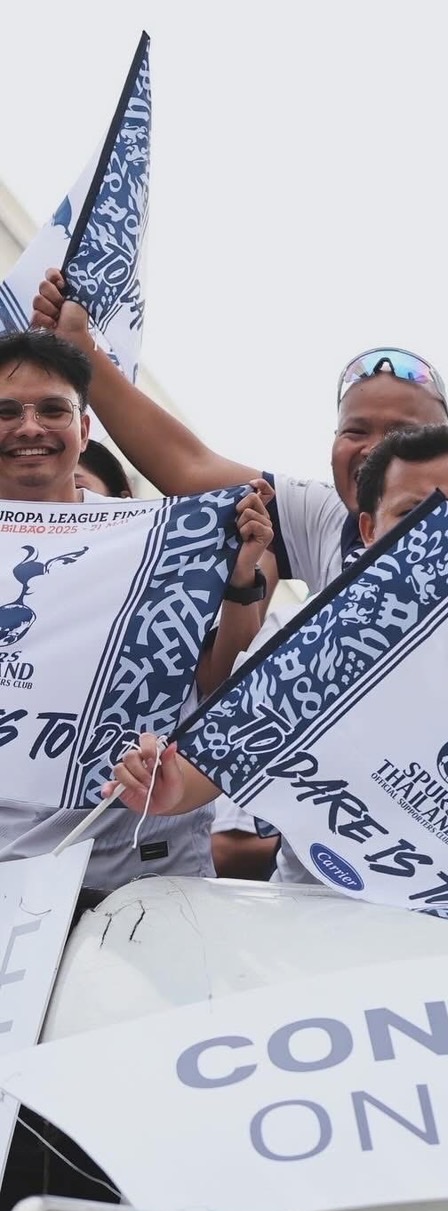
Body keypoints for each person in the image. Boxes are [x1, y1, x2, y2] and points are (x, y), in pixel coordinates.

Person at [107, 426, 448, 883]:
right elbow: (210, 767)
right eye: (411, 513)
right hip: (311, 932)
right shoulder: (309, 637)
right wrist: (167, 786)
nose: (435, 533)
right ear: (369, 528)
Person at [0, 330, 266, 890]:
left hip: (128, 874)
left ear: (85, 427)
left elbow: (213, 683)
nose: (29, 428)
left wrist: (242, 580)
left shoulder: (161, 545)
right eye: (6, 411)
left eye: (53, 409)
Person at [31, 268, 448, 593]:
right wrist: (78, 346)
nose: (373, 450)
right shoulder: (326, 516)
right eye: (355, 432)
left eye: (400, 434)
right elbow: (189, 467)